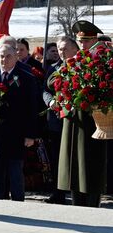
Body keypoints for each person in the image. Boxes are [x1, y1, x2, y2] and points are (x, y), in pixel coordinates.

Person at [57, 20, 109, 207]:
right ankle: (76, 203)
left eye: (87, 41)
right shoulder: (73, 62)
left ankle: (92, 204)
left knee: (91, 167)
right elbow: (51, 81)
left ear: (95, 40)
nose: (83, 45)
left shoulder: (102, 62)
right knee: (73, 166)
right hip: (72, 122)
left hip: (94, 122)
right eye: (80, 41)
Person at [0, 44, 38, 201]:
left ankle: (18, 206)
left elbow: (32, 108)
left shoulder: (26, 78)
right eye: (1, 56)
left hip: (16, 135)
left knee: (15, 174)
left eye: (8, 56)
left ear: (16, 57)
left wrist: (30, 134)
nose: (4, 59)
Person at [42, 36, 79, 204]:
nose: (61, 53)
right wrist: (50, 101)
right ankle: (58, 192)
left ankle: (77, 192)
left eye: (64, 49)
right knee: (57, 157)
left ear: (74, 49)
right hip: (57, 121)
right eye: (59, 49)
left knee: (75, 157)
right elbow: (44, 90)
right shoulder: (53, 68)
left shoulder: (81, 66)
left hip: (76, 120)